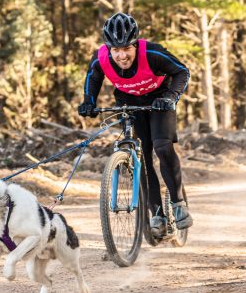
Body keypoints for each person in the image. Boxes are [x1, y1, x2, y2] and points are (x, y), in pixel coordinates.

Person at [78, 13, 193, 236]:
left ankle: (178, 204)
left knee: (161, 146)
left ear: (135, 45)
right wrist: (88, 102)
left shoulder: (153, 53)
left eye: (126, 49)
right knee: (141, 157)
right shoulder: (101, 57)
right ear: (108, 48)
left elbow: (182, 72)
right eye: (116, 50)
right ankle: (156, 214)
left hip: (160, 100)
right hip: (129, 102)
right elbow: (93, 78)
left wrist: (170, 97)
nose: (121, 55)